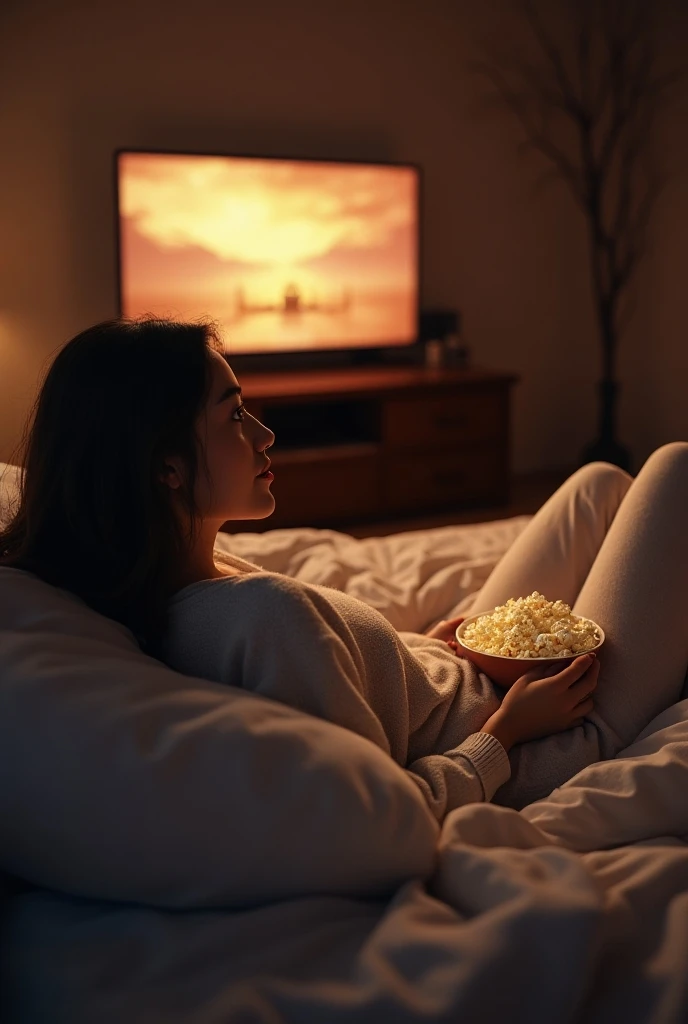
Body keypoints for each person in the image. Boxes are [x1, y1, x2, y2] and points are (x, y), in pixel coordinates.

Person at [1, 318, 686, 819]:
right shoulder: (265, 617)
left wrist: (430, 646)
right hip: (550, 739)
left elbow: (358, 684)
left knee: (597, 482)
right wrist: (508, 729)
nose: (265, 436)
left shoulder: (175, 570)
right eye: (235, 416)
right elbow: (386, 812)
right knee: (676, 467)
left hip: (458, 671)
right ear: (165, 467)